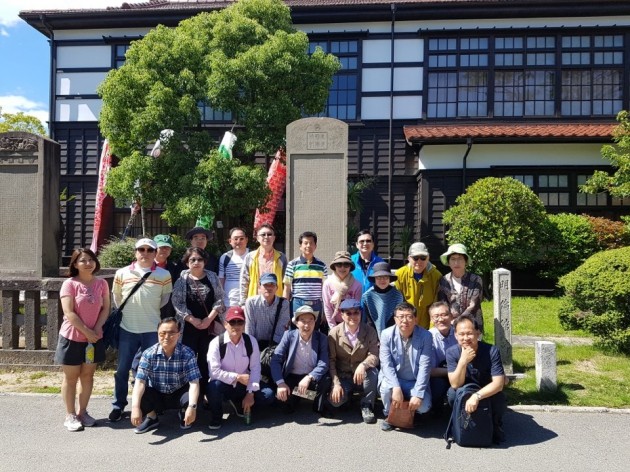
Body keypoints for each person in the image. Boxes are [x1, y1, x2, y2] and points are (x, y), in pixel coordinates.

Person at [109, 238, 173, 422]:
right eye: (141, 249)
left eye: (149, 250)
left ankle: (149, 406)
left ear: (155, 253)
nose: (145, 253)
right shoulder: (121, 273)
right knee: (122, 369)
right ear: (135, 252)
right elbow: (117, 298)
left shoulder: (164, 274)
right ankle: (118, 405)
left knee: (149, 371)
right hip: (127, 328)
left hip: (152, 330)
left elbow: (164, 300)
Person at [55, 248, 110, 431]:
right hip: (72, 336)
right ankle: (69, 414)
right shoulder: (70, 284)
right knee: (71, 378)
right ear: (75, 264)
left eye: (91, 259)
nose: (88, 263)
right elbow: (69, 312)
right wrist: (87, 331)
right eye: (83, 260)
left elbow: (105, 309)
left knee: (88, 376)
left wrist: (96, 329)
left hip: (94, 338)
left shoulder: (101, 283)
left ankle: (83, 411)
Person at [207, 306, 275, 429]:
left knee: (268, 395)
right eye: (232, 322)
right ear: (225, 324)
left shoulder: (251, 341)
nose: (236, 325)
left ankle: (241, 403)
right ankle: (216, 416)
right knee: (213, 387)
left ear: (244, 324)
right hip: (226, 383)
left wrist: (250, 393)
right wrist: (237, 377)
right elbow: (214, 372)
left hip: (245, 384)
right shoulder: (216, 343)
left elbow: (255, 368)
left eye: (240, 322)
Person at [130, 317, 201, 434]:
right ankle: (151, 417)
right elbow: (140, 382)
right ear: (157, 334)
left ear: (179, 334)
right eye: (162, 333)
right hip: (157, 393)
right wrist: (135, 408)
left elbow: (194, 382)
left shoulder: (188, 353)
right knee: (138, 387)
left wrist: (192, 407)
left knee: (195, 392)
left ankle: (184, 412)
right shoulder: (148, 354)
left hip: (179, 392)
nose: (167, 337)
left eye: (172, 333)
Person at [172, 247, 225, 401]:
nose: (196, 262)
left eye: (199, 259)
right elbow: (177, 302)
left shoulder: (212, 276)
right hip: (188, 327)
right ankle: (188, 397)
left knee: (206, 360)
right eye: (192, 260)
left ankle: (205, 396)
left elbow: (220, 299)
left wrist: (208, 319)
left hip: (209, 328)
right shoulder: (182, 279)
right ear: (187, 262)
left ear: (205, 262)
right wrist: (192, 320)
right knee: (187, 361)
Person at [446, 314, 507, 443]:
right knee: (452, 394)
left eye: (469, 333)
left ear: (478, 333)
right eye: (461, 334)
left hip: (485, 388)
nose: (465, 338)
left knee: (499, 397)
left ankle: (495, 424)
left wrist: (476, 396)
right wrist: (463, 361)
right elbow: (455, 384)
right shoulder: (452, 352)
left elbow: (498, 383)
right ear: (455, 335)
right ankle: (459, 421)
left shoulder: (491, 351)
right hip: (464, 389)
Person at [379, 302, 433, 432]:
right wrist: (396, 386)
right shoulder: (386, 334)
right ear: (395, 319)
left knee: (424, 406)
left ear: (416, 319)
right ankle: (389, 415)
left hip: (414, 380)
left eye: (409, 316)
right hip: (395, 378)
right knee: (387, 389)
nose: (405, 320)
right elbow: (386, 364)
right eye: (400, 317)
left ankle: (411, 415)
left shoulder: (426, 336)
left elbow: (425, 367)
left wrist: (419, 393)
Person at [326, 299, 379, 424]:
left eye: (356, 312)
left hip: (363, 374)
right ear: (342, 315)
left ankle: (367, 405)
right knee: (335, 402)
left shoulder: (369, 331)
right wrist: (336, 384)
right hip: (343, 375)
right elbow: (331, 361)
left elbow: (374, 355)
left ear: (361, 313)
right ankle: (348, 396)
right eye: (348, 313)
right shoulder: (334, 333)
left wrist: (363, 365)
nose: (353, 316)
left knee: (373, 373)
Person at [270, 305, 330, 415]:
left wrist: (309, 377)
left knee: (326, 381)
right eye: (303, 321)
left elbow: (324, 363)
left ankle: (315, 403)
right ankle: (303, 395)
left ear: (315, 322)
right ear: (296, 323)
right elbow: (275, 360)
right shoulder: (288, 336)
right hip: (293, 376)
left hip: (311, 377)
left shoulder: (322, 338)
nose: (307, 325)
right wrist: (280, 383)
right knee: (284, 402)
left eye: (310, 321)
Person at [283, 231, 328, 329]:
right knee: (296, 333)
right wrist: (285, 312)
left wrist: (325, 311)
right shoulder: (292, 264)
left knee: (314, 333)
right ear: (300, 246)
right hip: (298, 303)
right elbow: (286, 289)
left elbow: (325, 291)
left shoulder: (322, 266)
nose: (308, 245)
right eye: (305, 243)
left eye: (311, 243)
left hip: (316, 305)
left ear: (315, 246)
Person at [438, 243, 484, 335]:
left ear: (466, 261)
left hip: (472, 325)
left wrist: (458, 321)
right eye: (453, 259)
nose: (456, 263)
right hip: (451, 326)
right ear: (448, 262)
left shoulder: (476, 279)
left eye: (460, 259)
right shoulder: (444, 280)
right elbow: (443, 304)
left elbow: (474, 304)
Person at [395, 242, 442, 329]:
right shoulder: (400, 275)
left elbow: (436, 306)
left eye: (423, 258)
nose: (419, 261)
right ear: (409, 258)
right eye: (415, 258)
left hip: (427, 326)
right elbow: (397, 304)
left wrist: (432, 330)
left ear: (428, 258)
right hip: (406, 325)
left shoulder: (436, 276)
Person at [239, 224, 287, 305]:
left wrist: (284, 302)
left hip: (276, 302)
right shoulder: (250, 257)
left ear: (274, 238)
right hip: (254, 302)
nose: (266, 237)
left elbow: (286, 282)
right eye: (263, 234)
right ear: (257, 238)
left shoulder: (281, 257)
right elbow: (244, 281)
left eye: (269, 234)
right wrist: (243, 303)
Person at [244, 273, 290, 350]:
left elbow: (280, 331)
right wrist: (252, 349)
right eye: (265, 285)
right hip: (255, 345)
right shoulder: (251, 303)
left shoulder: (284, 304)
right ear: (259, 286)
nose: (269, 288)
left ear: (277, 287)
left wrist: (271, 351)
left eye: (272, 284)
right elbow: (249, 329)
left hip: (274, 346)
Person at [428, 301, 457, 415]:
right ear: (431, 319)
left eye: (444, 315)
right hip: (440, 374)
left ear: (451, 316)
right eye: (436, 316)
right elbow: (430, 371)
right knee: (436, 387)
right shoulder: (428, 337)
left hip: (461, 373)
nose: (441, 319)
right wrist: (454, 372)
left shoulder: (459, 333)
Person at [361, 261, 404, 339]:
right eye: (379, 277)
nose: (382, 280)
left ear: (390, 279)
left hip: (394, 334)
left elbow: (398, 318)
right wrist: (374, 338)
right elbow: (368, 320)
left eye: (385, 277)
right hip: (372, 335)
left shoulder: (397, 295)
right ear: (374, 279)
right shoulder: (367, 296)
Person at [322, 250, 362, 329]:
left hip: (351, 323)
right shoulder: (328, 283)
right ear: (334, 266)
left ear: (350, 267)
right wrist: (333, 327)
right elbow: (327, 307)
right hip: (333, 323)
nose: (342, 268)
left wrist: (351, 326)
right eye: (339, 264)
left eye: (346, 265)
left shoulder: (357, 285)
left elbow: (356, 308)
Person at [218, 227, 249, 307]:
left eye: (241, 238)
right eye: (235, 239)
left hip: (249, 301)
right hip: (229, 302)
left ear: (246, 240)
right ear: (230, 241)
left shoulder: (253, 256)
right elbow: (221, 279)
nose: (238, 241)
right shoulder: (225, 257)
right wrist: (220, 299)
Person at [351, 230, 384, 294]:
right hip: (353, 302)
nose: (365, 243)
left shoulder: (381, 263)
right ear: (357, 245)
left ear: (373, 244)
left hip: (373, 302)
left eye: (368, 241)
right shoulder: (350, 261)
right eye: (361, 241)